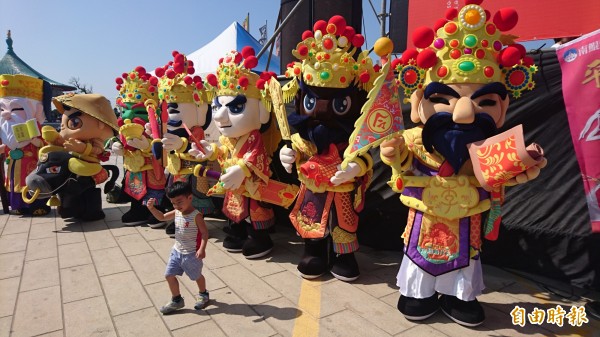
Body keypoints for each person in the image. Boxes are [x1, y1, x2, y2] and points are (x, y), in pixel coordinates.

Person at [379, 0, 546, 327]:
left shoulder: (492, 146)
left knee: (466, 258)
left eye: (484, 102)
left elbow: (501, 175)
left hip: (466, 217)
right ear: (418, 105)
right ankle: (419, 293)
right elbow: (401, 160)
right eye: (442, 99)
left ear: (502, 108)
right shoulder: (414, 138)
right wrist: (392, 153)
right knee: (419, 254)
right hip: (425, 213)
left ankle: (459, 297)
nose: (463, 114)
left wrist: (524, 165)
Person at [279, 15, 378, 281]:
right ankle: (313, 252)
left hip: (342, 188)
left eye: (338, 104)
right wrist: (287, 154)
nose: (321, 112)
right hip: (312, 187)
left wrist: (356, 167)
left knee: (343, 223)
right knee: (312, 221)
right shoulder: (307, 136)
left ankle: (344, 255)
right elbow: (296, 147)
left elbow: (365, 156)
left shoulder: (352, 138)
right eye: (312, 102)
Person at [146, 181, 210, 313]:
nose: (176, 205)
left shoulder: (196, 215)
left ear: (190, 198)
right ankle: (177, 300)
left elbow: (204, 233)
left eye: (179, 202)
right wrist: (152, 208)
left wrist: (202, 248)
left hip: (191, 254)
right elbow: (162, 217)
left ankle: (203, 294)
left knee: (197, 276)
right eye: (173, 203)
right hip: (176, 252)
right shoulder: (176, 212)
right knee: (169, 275)